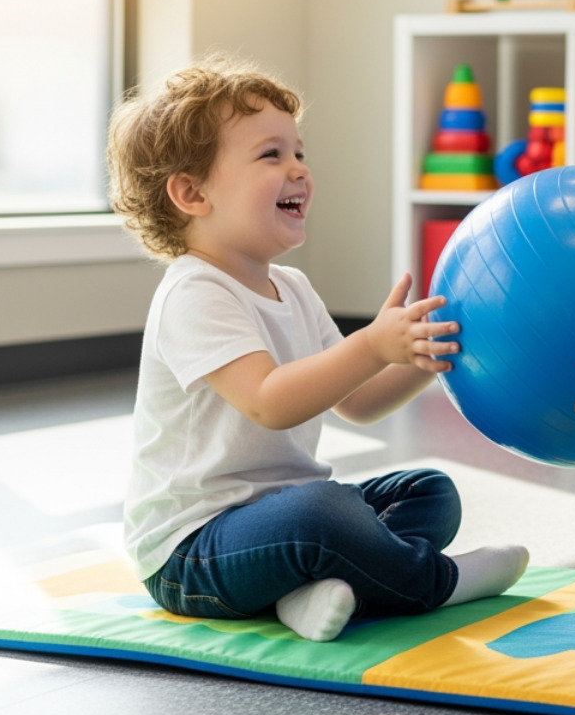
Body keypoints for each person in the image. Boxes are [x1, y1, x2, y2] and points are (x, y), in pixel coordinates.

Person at [108, 56, 528, 643]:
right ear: (192, 192)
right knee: (322, 517)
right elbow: (269, 402)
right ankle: (437, 581)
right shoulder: (193, 292)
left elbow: (357, 402)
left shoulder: (293, 286)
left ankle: (304, 594)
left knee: (427, 491)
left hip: (283, 521)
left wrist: (418, 353)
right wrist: (371, 343)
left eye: (299, 152)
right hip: (192, 551)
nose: (299, 169)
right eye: (270, 155)